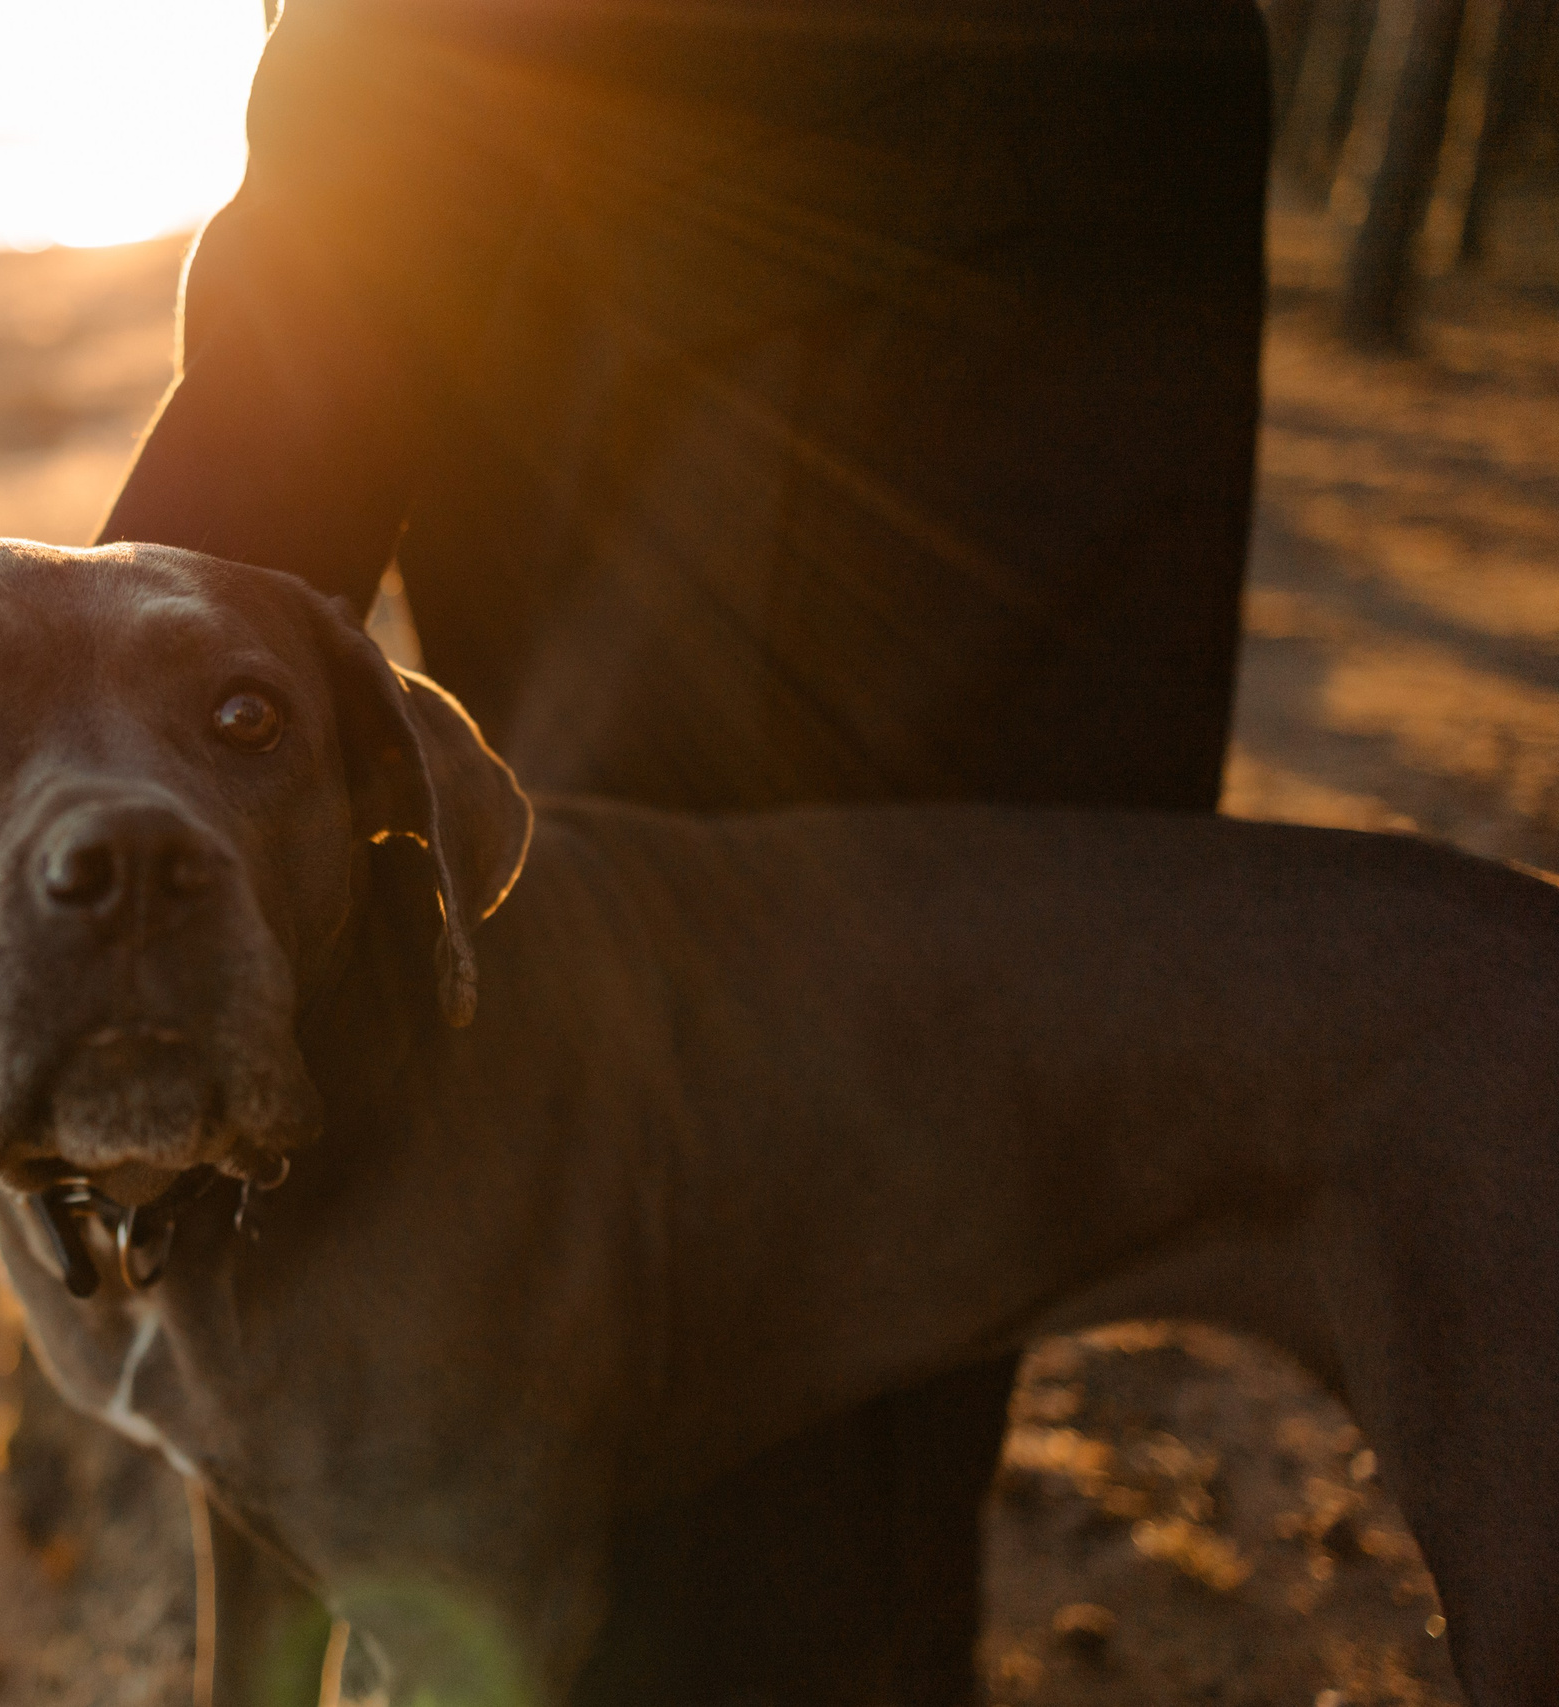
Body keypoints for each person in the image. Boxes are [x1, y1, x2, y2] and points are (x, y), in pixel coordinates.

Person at [97, 1, 1270, 1700]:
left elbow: (344, 262)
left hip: (830, 316)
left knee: (754, 1379)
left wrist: (78, 764)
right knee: (881, 1274)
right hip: (956, 246)